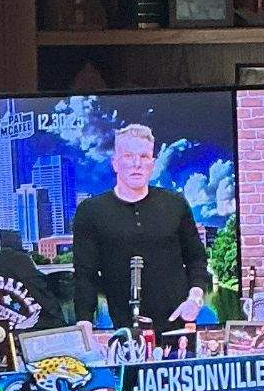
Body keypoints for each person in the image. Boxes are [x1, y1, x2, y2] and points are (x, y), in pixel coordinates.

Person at [70, 121, 208, 337]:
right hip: (124, 331)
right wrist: (85, 326)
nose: (137, 164)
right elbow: (85, 275)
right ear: (115, 163)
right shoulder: (91, 211)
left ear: (152, 164)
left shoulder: (176, 204)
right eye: (128, 156)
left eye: (144, 157)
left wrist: (195, 299)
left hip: (178, 326)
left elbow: (196, 259)